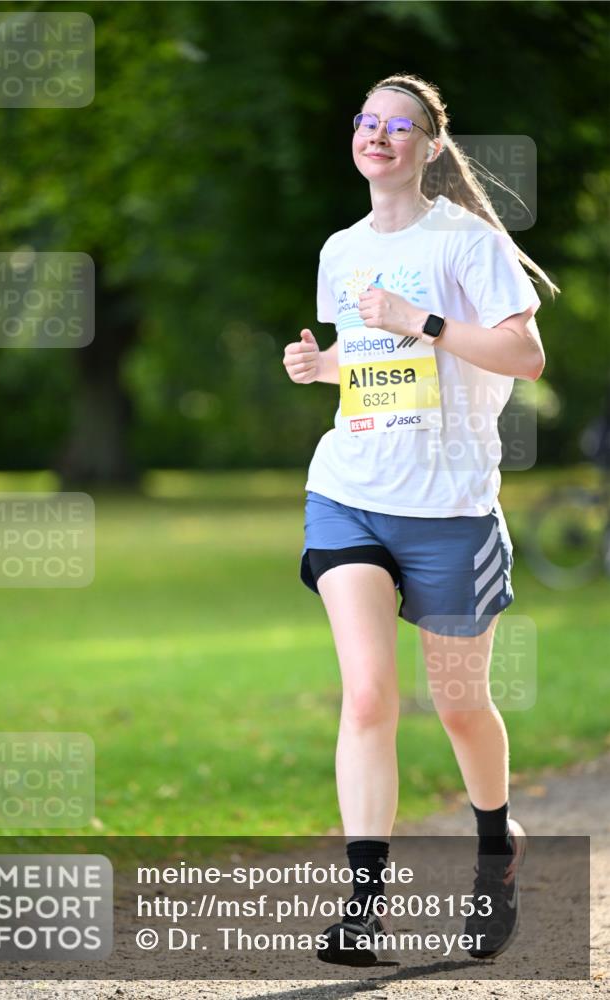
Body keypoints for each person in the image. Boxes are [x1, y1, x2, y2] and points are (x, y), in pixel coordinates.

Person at [282, 72, 559, 967]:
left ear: (431, 147)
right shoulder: (339, 248)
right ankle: (364, 904)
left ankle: (495, 846)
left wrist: (424, 318)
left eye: (399, 126)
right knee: (365, 695)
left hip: (448, 506)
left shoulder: (468, 241)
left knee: (456, 702)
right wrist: (320, 367)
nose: (378, 135)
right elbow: (371, 368)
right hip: (350, 489)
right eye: (367, 121)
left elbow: (525, 356)